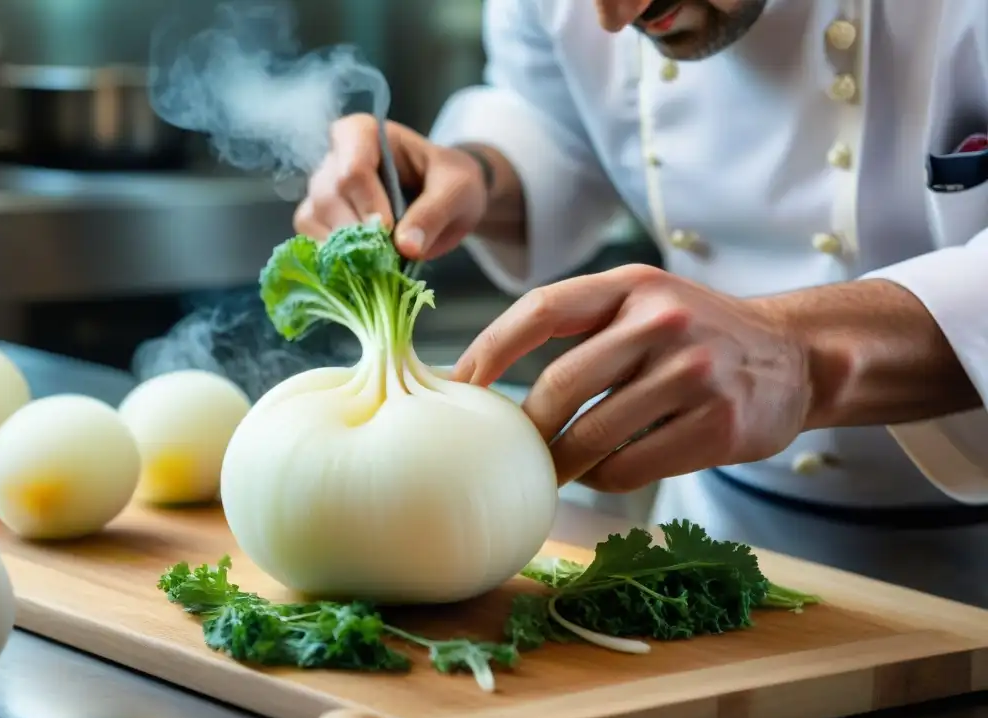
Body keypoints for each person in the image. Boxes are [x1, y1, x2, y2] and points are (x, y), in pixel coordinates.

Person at [293, 0, 988, 513]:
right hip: (721, 524)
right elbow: (556, 120)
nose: (613, 16)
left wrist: (802, 355)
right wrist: (473, 176)